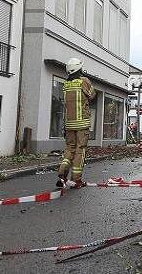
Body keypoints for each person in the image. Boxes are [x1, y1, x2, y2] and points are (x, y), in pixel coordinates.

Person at [57, 58, 96, 189]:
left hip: (69, 124)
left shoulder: (66, 85)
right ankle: (76, 180)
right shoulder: (83, 81)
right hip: (82, 124)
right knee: (80, 151)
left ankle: (62, 174)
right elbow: (92, 95)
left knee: (69, 149)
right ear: (79, 69)